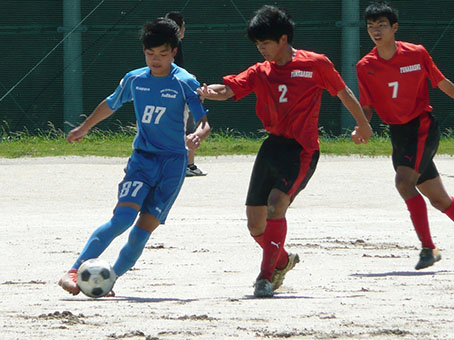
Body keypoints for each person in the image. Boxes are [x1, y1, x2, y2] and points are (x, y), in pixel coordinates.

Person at [198, 5, 372, 297]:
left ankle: (265, 278)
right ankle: (282, 261)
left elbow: (344, 91)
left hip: (301, 150)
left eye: (265, 43)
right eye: (257, 44)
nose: (261, 49)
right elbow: (229, 89)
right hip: (272, 148)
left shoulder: (315, 63)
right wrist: (210, 92)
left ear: (283, 39)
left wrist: (363, 125)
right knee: (255, 224)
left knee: (276, 204)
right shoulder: (261, 71)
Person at [58, 18, 208, 296]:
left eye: (163, 54)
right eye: (150, 54)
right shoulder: (135, 79)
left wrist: (198, 135)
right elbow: (111, 103)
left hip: (172, 166)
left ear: (174, 51)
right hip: (142, 161)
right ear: (143, 51)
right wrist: (85, 127)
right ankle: (73, 271)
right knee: (122, 218)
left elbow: (204, 122)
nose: (156, 59)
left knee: (141, 233)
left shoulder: (185, 82)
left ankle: (109, 278)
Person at [356, 1, 454, 270]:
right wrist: (361, 125)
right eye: (371, 26)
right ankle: (429, 249)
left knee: (403, 183)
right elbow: (366, 107)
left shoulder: (416, 53)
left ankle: (427, 248)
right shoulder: (365, 65)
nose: (376, 31)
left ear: (394, 27)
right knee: (439, 200)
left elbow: (442, 83)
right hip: (398, 134)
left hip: (421, 126)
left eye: (382, 25)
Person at [165, 11, 211, 177]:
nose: (185, 29)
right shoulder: (174, 43)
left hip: (173, 89)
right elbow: (173, 70)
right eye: (184, 26)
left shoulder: (167, 44)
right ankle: (187, 165)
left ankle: (188, 165)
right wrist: (188, 78)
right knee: (188, 125)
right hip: (177, 91)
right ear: (178, 27)